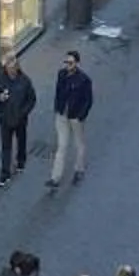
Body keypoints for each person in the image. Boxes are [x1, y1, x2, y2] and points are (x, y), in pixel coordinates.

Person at [48, 50, 94, 187]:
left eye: (71, 62)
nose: (68, 65)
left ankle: (79, 168)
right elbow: (58, 91)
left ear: (77, 63)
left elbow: (88, 100)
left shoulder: (84, 80)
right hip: (62, 115)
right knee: (61, 146)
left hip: (75, 117)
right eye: (66, 62)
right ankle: (55, 178)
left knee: (78, 143)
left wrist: (81, 116)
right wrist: (57, 107)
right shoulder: (61, 74)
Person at [0, 53, 36, 186]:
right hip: (5, 118)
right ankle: (5, 174)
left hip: (20, 120)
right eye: (8, 68)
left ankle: (21, 161)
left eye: (13, 68)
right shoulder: (0, 79)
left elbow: (32, 99)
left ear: (17, 67)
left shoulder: (25, 81)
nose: (10, 71)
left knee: (21, 141)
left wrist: (24, 113)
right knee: (6, 147)